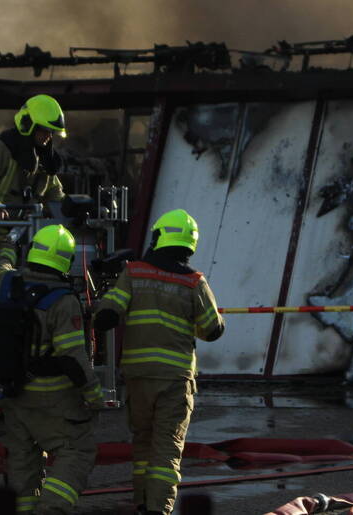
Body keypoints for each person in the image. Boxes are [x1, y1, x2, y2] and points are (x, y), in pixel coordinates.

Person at [93, 209, 225, 515]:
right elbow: (212, 330)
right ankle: (158, 510)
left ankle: (141, 503)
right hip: (175, 379)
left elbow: (108, 315)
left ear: (159, 237)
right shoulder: (195, 283)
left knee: (142, 441)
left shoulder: (134, 273)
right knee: (167, 446)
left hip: (139, 376)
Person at [0, 224, 104, 514]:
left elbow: (0, 266)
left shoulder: (7, 285)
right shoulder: (63, 301)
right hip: (53, 398)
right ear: (65, 260)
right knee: (77, 451)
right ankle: (51, 510)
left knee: (23, 462)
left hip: (15, 394)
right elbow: (72, 357)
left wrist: (8, 244)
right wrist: (94, 395)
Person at [0, 94, 66, 224]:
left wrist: (76, 208)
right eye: (44, 130)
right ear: (28, 124)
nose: (49, 136)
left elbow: (56, 196)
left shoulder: (44, 160)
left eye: (52, 132)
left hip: (26, 234)